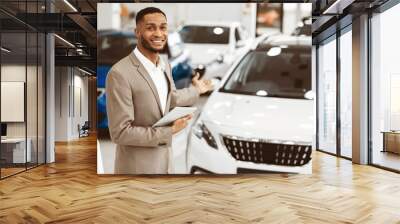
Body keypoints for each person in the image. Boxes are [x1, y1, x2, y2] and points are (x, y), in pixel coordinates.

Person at [105, 7, 213, 174]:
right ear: (137, 32)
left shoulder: (164, 65)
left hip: (166, 164)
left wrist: (196, 90)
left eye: (163, 27)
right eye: (150, 28)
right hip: (137, 169)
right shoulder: (119, 73)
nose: (158, 33)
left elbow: (171, 98)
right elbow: (121, 133)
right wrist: (170, 131)